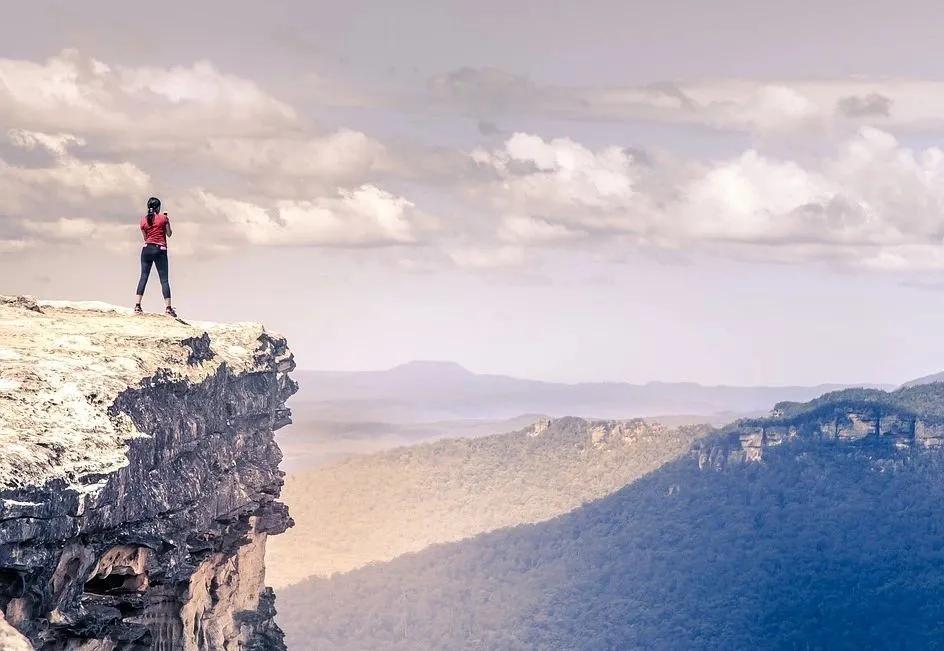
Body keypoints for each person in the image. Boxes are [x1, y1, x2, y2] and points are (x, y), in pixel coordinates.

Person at [134, 197, 178, 317]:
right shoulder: (163, 218)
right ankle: (168, 309)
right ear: (158, 207)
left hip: (147, 249)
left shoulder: (143, 220)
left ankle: (137, 306)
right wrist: (166, 221)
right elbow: (169, 234)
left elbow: (145, 237)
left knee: (143, 277)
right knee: (164, 280)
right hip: (160, 250)